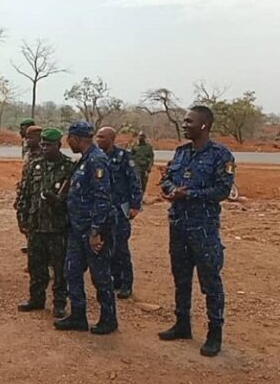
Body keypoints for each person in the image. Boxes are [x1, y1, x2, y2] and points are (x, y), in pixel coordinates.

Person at [158, 106, 235, 357]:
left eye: (189, 121)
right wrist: (170, 189)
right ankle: (182, 324)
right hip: (178, 225)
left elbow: (222, 190)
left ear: (204, 125)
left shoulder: (220, 155)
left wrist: (188, 194)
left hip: (203, 229)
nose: (184, 124)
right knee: (180, 278)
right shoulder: (181, 152)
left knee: (210, 282)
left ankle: (215, 333)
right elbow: (168, 178)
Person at [54, 121, 118, 335]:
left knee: (100, 276)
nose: (67, 142)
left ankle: (109, 319)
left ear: (76, 138)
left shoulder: (97, 160)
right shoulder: (84, 160)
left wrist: (95, 231)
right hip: (77, 228)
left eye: (68, 138)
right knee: (71, 271)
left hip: (93, 231)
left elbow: (103, 198)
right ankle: (78, 316)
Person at [16, 127, 74, 318]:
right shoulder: (34, 165)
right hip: (36, 225)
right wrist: (22, 218)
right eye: (43, 144)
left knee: (59, 268)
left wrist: (60, 201)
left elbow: (74, 199)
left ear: (59, 145)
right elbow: (25, 192)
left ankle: (59, 303)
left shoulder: (69, 167)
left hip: (58, 227)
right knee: (36, 265)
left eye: (49, 145)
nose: (45, 148)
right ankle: (36, 299)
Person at [95, 126, 143, 299]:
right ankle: (115, 279)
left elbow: (134, 181)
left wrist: (135, 205)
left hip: (120, 209)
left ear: (111, 139)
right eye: (97, 136)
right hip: (104, 209)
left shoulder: (123, 157)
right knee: (107, 246)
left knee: (121, 247)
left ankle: (126, 283)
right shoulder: (97, 157)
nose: (98, 139)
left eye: (101, 137)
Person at [14, 125, 43, 256]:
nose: (27, 140)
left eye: (30, 138)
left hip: (37, 199)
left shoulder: (44, 155)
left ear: (39, 138)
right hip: (26, 194)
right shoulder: (28, 153)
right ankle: (31, 249)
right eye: (26, 137)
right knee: (24, 223)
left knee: (37, 229)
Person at [130, 131, 155, 197]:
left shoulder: (148, 147)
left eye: (142, 136)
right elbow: (130, 157)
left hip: (145, 168)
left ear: (144, 137)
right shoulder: (134, 146)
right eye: (140, 136)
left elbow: (151, 157)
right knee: (138, 183)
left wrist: (149, 167)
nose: (141, 137)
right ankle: (137, 198)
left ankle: (141, 197)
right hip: (137, 168)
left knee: (144, 184)